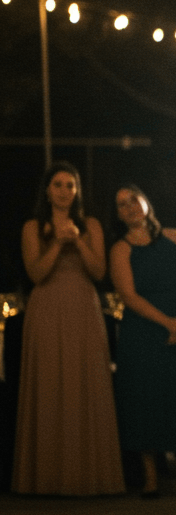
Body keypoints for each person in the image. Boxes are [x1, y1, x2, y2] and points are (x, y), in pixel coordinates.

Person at [12, 161, 124, 496]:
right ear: (47, 190)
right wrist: (58, 243)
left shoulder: (90, 225)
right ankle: (46, 478)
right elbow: (36, 274)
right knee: (49, 384)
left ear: (77, 192)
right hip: (46, 308)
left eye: (70, 186)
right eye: (58, 185)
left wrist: (79, 242)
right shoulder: (33, 226)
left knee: (84, 382)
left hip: (83, 308)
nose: (64, 191)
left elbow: (99, 270)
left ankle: (89, 477)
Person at [109, 185, 176, 498]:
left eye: (133, 199)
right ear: (118, 215)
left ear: (146, 200)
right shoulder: (120, 249)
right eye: (122, 205)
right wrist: (167, 322)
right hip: (143, 333)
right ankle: (151, 479)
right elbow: (128, 296)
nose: (129, 207)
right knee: (143, 402)